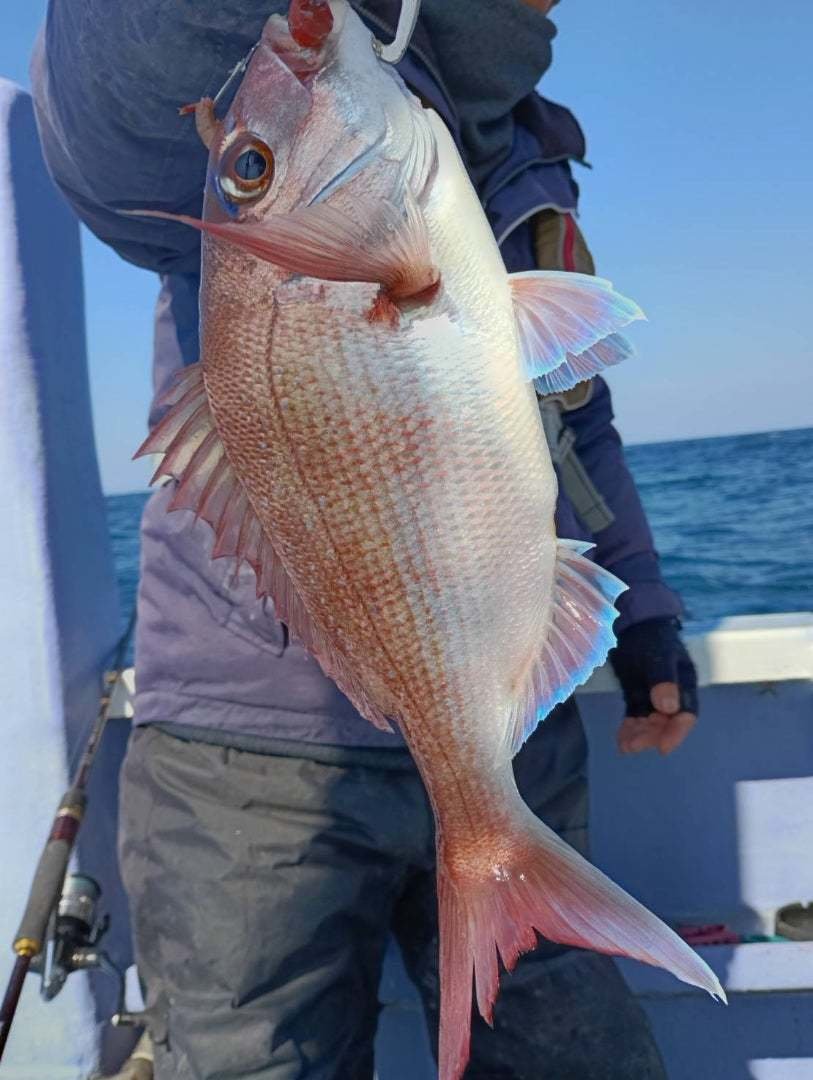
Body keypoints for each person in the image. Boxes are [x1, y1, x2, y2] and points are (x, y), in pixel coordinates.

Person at [32, 2, 699, 1076]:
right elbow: (98, 110)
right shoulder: (232, 66)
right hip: (246, 762)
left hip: (504, 729)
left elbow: (571, 412)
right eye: (251, 168)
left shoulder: (511, 139)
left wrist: (643, 605)